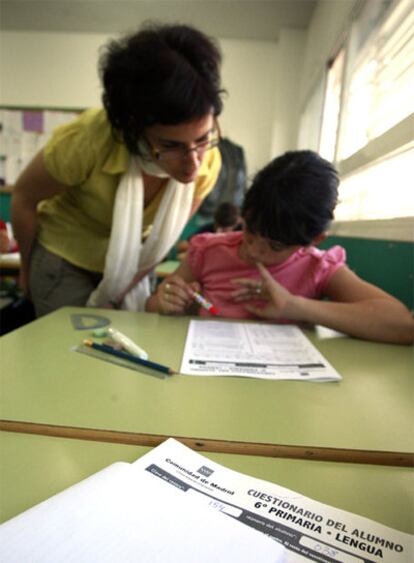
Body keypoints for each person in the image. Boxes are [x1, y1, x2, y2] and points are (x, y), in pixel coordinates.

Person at [11, 23, 224, 317]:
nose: (193, 163)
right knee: (71, 353)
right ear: (134, 127)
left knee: (127, 354)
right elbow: (23, 198)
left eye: (202, 139)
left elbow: (160, 242)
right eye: (171, 145)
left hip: (133, 266)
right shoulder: (87, 140)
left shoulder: (208, 162)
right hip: (64, 260)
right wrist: (26, 268)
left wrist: (122, 289)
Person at [146, 150, 414, 345]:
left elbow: (403, 326)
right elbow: (152, 305)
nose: (253, 251)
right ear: (244, 214)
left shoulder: (316, 267)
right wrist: (164, 302)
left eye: (274, 246)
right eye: (250, 231)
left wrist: (294, 306)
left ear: (314, 240)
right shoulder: (207, 251)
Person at [176, 201, 241, 260]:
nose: (218, 232)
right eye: (217, 226)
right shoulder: (208, 229)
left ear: (235, 225)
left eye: (224, 229)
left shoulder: (241, 234)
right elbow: (183, 246)